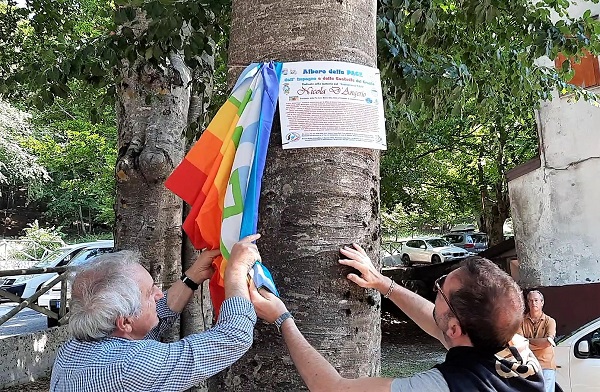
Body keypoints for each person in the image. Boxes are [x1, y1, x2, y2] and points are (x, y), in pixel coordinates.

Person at [251, 244, 545, 392]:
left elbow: (334, 388)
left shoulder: (443, 386)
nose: (436, 291)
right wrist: (382, 283)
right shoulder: (509, 341)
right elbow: (437, 322)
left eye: (440, 290)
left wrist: (282, 318)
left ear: (456, 327)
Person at [50, 234, 262, 392]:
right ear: (124, 322)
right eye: (150, 293)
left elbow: (152, 320)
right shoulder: (130, 366)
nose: (159, 295)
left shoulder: (73, 349)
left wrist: (193, 277)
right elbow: (234, 337)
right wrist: (236, 271)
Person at [519, 290, 557, 392]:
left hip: (546, 365)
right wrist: (542, 342)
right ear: (527, 303)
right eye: (530, 301)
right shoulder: (521, 322)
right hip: (528, 365)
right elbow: (519, 344)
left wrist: (528, 341)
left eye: (536, 300)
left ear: (542, 302)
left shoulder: (550, 321)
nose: (533, 303)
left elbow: (548, 342)